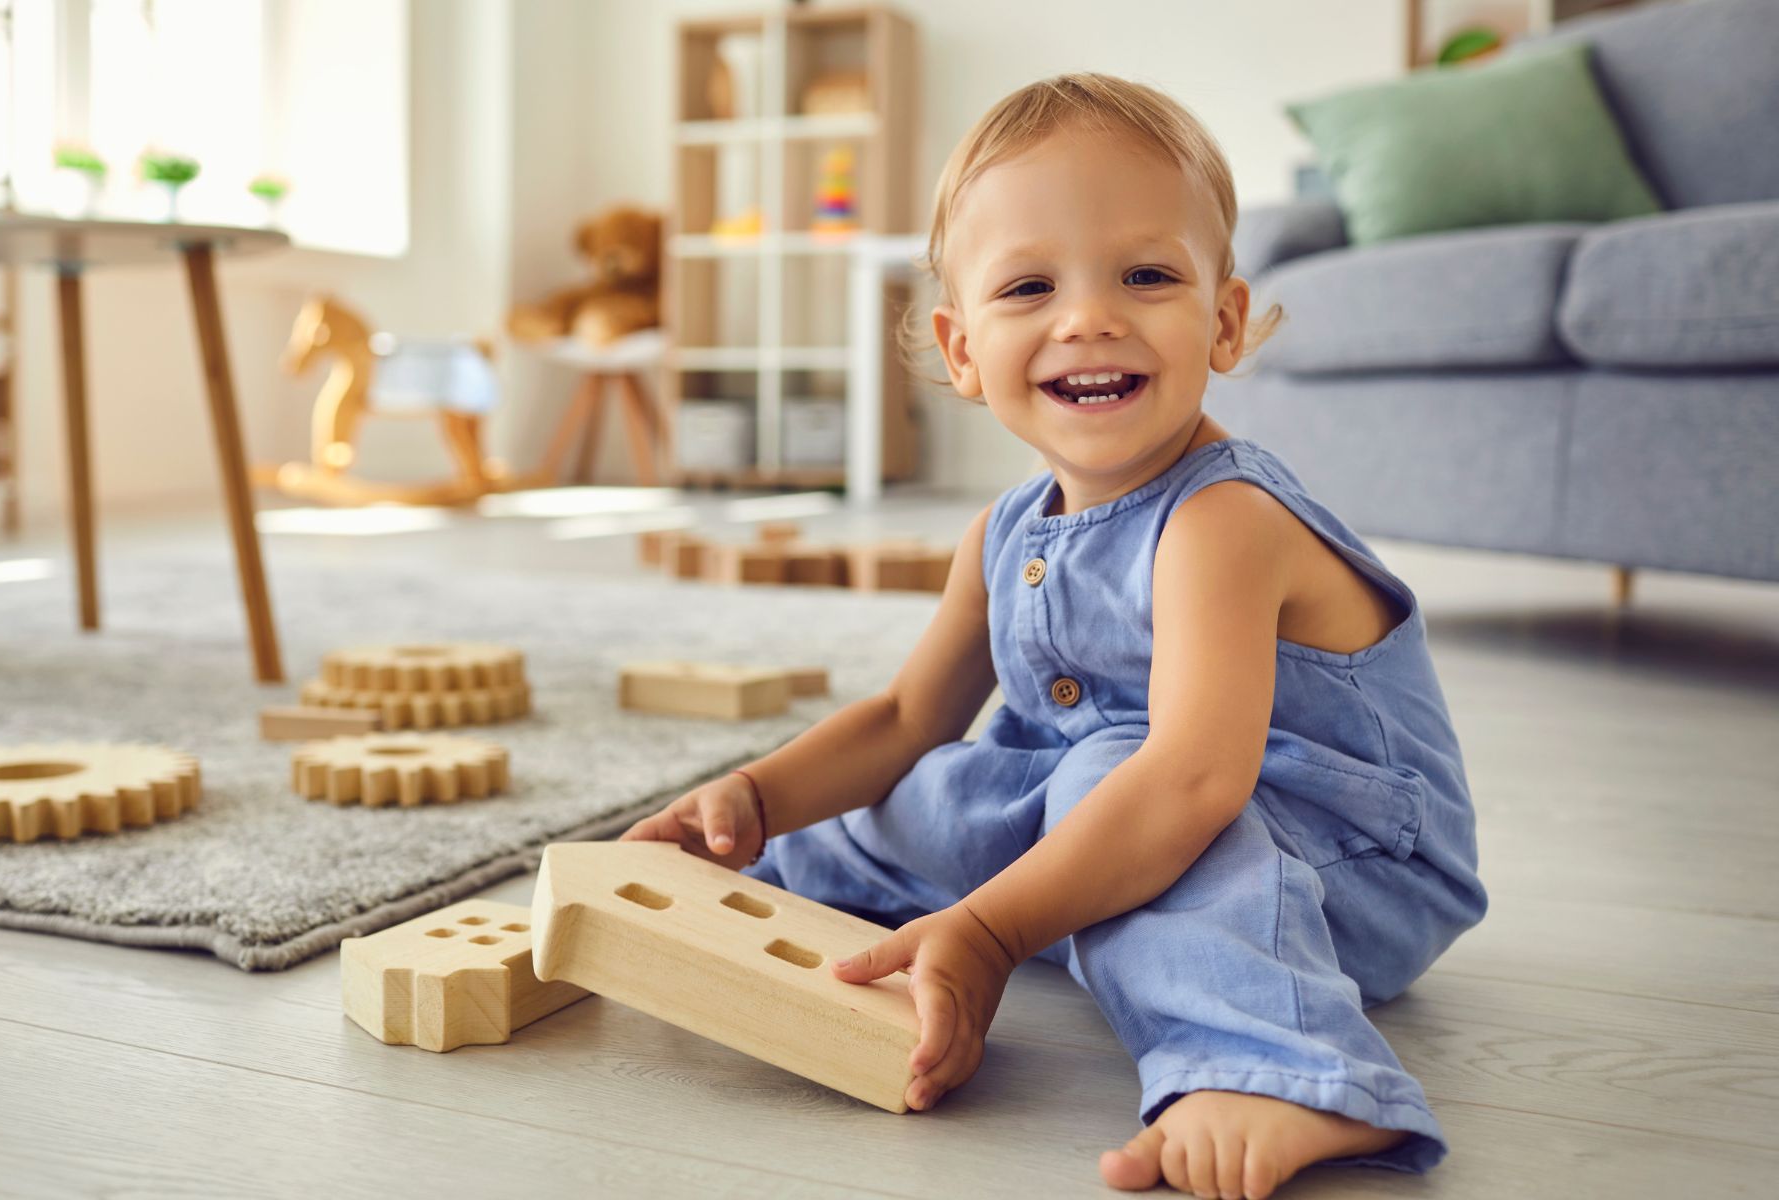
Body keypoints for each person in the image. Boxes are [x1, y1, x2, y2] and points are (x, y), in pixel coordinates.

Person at [622, 73, 1486, 1199]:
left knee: (1104, 788)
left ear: (1220, 321)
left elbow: (1186, 782)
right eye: (1027, 285)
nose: (1089, 317)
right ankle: (770, 878)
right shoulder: (1002, 530)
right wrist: (758, 800)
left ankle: (1274, 1070)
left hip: (1341, 865)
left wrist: (986, 935)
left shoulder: (1221, 520)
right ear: (962, 347)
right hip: (1106, 793)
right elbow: (901, 719)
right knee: (936, 790)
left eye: (1146, 275)